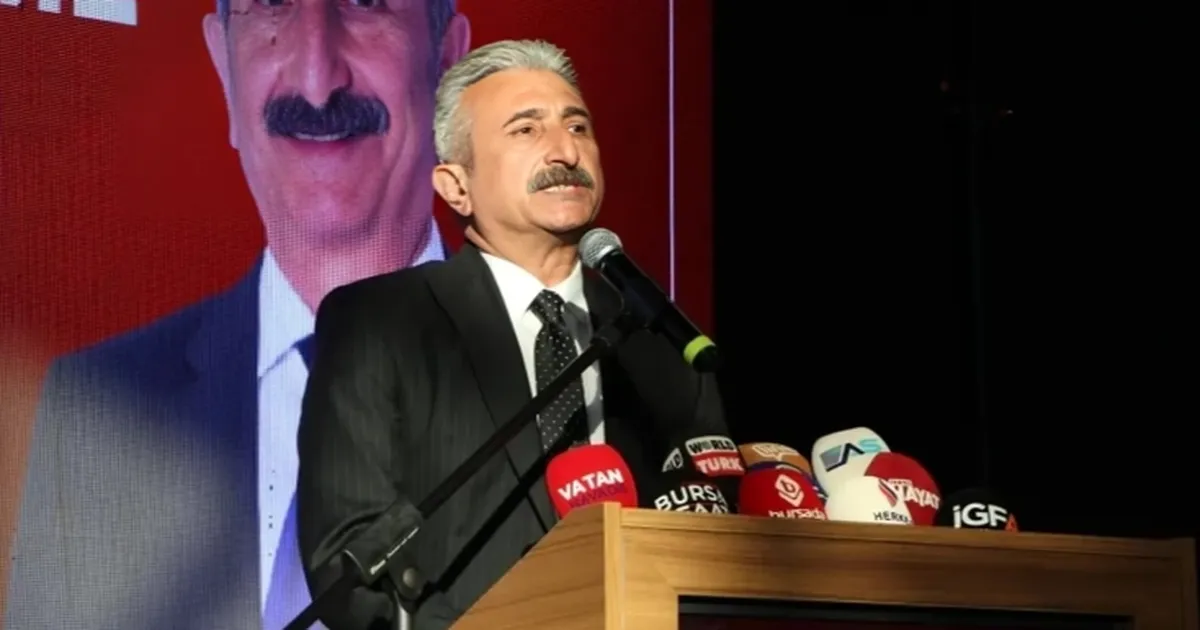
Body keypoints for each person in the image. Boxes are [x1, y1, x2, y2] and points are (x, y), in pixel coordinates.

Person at [4, 2, 469, 628]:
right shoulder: (92, 411)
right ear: (224, 66)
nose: (316, 81)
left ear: (447, 64)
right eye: (272, 4)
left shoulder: (560, 371)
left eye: (364, 3)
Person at [296, 39, 730, 630]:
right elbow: (347, 551)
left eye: (577, 126)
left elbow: (710, 545)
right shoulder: (380, 322)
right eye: (526, 130)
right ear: (456, 186)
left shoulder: (661, 340)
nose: (565, 150)